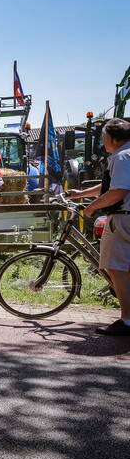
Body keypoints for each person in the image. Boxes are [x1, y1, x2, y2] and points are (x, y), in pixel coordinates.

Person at [83, 118, 130, 335]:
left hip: (122, 218)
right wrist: (81, 194)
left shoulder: (121, 157)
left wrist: (91, 208)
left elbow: (117, 192)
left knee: (115, 267)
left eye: (103, 136)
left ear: (111, 138)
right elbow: (109, 185)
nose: (102, 141)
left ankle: (127, 320)